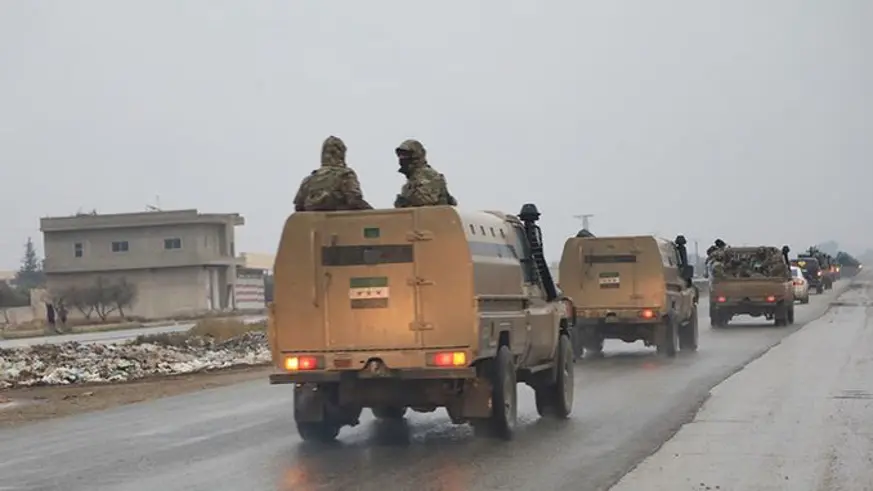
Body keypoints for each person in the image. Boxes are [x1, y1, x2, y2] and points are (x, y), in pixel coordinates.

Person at [293, 136, 373, 211]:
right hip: (339, 219)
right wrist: (373, 213)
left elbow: (298, 207)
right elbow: (355, 200)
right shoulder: (345, 175)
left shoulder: (308, 180)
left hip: (313, 220)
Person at [394, 139, 457, 208]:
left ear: (416, 155)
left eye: (405, 155)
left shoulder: (428, 174)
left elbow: (428, 200)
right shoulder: (412, 180)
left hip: (434, 214)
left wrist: (406, 201)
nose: (401, 158)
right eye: (400, 155)